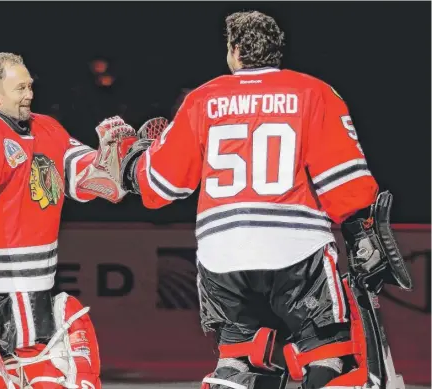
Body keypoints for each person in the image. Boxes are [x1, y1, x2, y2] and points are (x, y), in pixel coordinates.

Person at [109, 11, 409, 389]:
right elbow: (345, 185)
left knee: (240, 360)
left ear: (234, 51)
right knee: (330, 356)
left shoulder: (202, 99)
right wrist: (363, 234)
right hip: (297, 250)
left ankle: (234, 372)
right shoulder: (314, 92)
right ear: (277, 51)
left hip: (222, 254)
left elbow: (159, 188)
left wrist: (133, 158)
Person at [0, 52, 135, 389]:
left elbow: (84, 179)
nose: (29, 94)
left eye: (29, 86)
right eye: (19, 89)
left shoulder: (48, 128)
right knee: (37, 362)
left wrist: (110, 159)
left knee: (10, 368)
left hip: (35, 280)